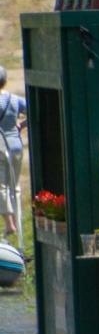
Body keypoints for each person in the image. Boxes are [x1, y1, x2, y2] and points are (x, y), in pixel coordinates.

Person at [0, 66, 25, 241]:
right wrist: (21, 125)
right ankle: (18, 221)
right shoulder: (14, 99)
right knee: (14, 186)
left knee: (1, 186)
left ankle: (9, 224)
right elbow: (32, 109)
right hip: (16, 145)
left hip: (0, 146)